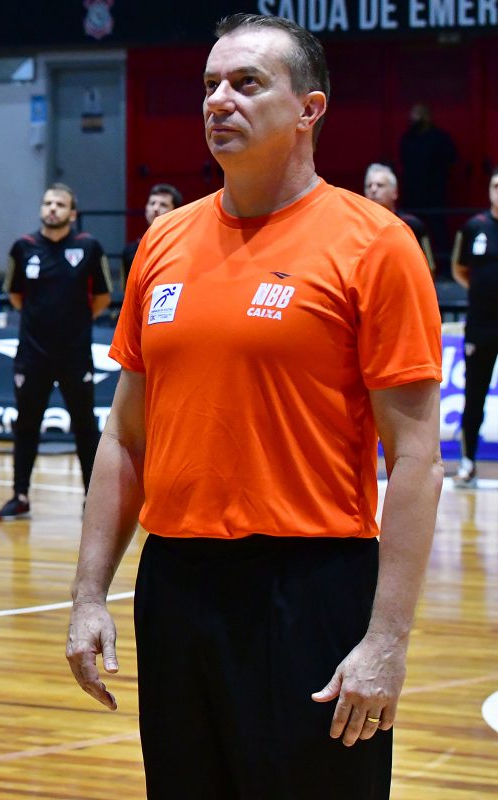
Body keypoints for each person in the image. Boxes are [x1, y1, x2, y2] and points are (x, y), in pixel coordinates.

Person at [66, 14, 442, 799]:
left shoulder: (375, 245)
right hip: (176, 584)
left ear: (309, 108)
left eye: (245, 83)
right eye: (210, 85)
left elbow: (415, 460)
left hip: (310, 587)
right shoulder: (163, 245)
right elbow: (125, 438)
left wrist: (387, 639)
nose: (218, 101)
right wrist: (89, 596)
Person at [0, 184, 111, 521]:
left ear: (72, 213)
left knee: (85, 427)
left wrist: (73, 322)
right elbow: (16, 295)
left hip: (75, 355)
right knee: (26, 426)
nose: (52, 208)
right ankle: (20, 496)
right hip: (33, 355)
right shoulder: (23, 247)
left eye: (60, 204)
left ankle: (92, 498)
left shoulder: (89, 247)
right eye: (47, 202)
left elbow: (102, 298)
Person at [448, 168, 498, 488]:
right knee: (474, 395)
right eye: (495, 185)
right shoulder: (474, 227)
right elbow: (458, 269)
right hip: (481, 325)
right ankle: (467, 464)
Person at [399, 102, 456, 251]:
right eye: (412, 113)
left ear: (427, 116)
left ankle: (443, 262)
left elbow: (452, 160)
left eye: (418, 114)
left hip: (434, 194)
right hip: (412, 195)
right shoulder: (407, 139)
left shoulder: (440, 138)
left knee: (439, 231)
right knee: (411, 231)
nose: (413, 117)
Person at [364, 163, 435, 274]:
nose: (373, 189)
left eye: (380, 185)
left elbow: (429, 268)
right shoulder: (358, 226)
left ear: (395, 192)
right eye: (369, 186)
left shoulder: (412, 225)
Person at [121, 183, 182, 284]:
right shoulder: (131, 251)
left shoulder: (183, 248)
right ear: (146, 208)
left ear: (176, 211)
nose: (155, 208)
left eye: (163, 205)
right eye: (152, 203)